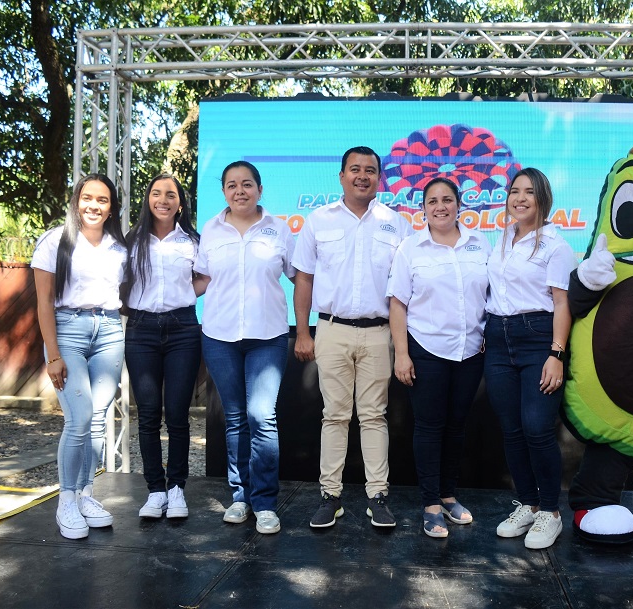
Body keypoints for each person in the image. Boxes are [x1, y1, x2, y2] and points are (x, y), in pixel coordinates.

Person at [293, 146, 412, 529]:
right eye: (355, 169)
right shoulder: (318, 220)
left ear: (380, 178)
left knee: (374, 417)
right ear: (341, 175)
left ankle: (378, 495)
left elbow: (403, 289)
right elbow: (304, 279)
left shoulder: (396, 224)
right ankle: (331, 496)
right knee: (335, 416)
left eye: (371, 170)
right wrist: (302, 332)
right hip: (331, 330)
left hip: (379, 334)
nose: (363, 176)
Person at [194, 161, 296, 535]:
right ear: (223, 192)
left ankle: (265, 502)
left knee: (261, 415)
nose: (240, 191)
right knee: (236, 417)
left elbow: (299, 277)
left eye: (247, 184)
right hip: (219, 335)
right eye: (232, 185)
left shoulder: (280, 229)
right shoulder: (211, 230)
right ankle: (241, 497)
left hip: (267, 336)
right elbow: (202, 279)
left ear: (259, 189)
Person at [387, 177, 491, 538]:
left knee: (456, 427)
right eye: (432, 201)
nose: (440, 206)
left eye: (447, 199)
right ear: (423, 209)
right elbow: (397, 304)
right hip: (426, 350)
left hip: (470, 351)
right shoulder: (411, 249)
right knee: (429, 427)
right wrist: (402, 354)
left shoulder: (481, 244)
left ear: (459, 205)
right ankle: (430, 503)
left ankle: (449, 495)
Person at [483, 167, 576, 550]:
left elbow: (561, 303)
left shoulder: (556, 246)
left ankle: (551, 513)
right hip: (498, 339)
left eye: (529, 193)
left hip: (538, 338)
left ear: (543, 200)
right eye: (514, 191)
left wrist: (556, 354)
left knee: (537, 427)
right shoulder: (502, 239)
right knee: (512, 430)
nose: (519, 198)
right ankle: (527, 503)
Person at [32, 173, 128, 540]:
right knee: (80, 416)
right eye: (87, 198)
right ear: (76, 201)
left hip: (108, 330)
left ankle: (86, 493)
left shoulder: (119, 246)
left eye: (102, 200)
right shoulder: (55, 241)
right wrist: (53, 354)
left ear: (111, 208)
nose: (93, 205)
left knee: (99, 418)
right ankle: (66, 500)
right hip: (67, 329)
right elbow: (43, 302)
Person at [122, 174, 202, 520]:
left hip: (183, 329)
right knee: (149, 414)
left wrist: (184, 296)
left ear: (180, 203)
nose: (163, 199)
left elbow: (206, 277)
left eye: (171, 194)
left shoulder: (193, 241)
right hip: (141, 331)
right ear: (148, 200)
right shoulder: (129, 241)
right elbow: (118, 283)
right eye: (157, 193)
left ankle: (177, 489)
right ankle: (155, 491)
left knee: (178, 415)